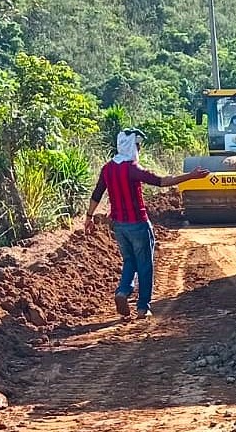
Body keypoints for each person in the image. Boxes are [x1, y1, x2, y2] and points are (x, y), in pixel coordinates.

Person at [84, 129, 209, 319]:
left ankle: (123, 291)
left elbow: (97, 193)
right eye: (137, 145)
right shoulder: (133, 169)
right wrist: (190, 176)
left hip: (119, 225)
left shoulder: (107, 169)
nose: (139, 149)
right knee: (145, 266)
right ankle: (143, 307)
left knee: (129, 261)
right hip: (138, 224)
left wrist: (89, 216)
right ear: (132, 146)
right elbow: (162, 181)